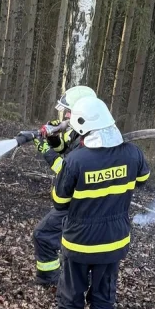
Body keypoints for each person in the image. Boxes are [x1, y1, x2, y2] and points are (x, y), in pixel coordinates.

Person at [47, 96, 150, 309]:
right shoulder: (132, 153)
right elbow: (143, 179)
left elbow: (59, 201)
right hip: (114, 241)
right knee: (105, 286)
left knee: (72, 285)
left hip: (80, 241)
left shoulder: (75, 161)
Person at [24, 85, 98, 287]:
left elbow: (65, 169)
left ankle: (51, 280)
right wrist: (53, 137)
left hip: (79, 202)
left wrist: (45, 150)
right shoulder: (80, 131)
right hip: (79, 201)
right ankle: (59, 280)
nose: (65, 115)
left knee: (44, 235)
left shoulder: (89, 140)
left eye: (69, 111)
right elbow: (64, 148)